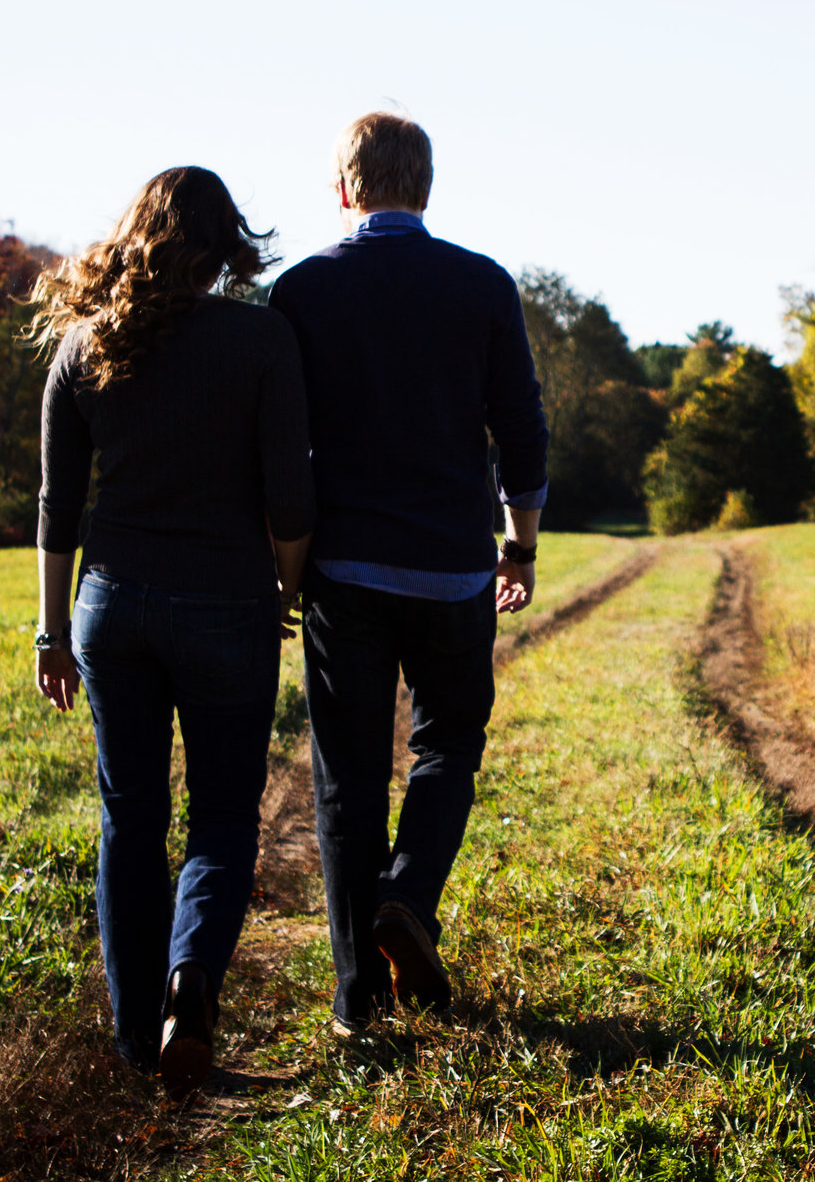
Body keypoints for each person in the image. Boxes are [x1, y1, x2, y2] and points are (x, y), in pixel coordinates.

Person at [27, 166, 314, 1097]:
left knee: (129, 816)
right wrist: (286, 590)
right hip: (226, 604)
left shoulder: (84, 344)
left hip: (110, 610)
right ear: (229, 241)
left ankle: (128, 1035)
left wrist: (48, 632)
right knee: (224, 816)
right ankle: (190, 991)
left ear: (134, 233)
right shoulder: (262, 337)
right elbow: (290, 495)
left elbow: (56, 508)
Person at [269, 111, 548, 1031]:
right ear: (425, 187)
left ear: (344, 188)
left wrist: (284, 573)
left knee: (348, 778)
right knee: (448, 747)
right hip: (453, 575)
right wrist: (520, 546)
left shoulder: (301, 292)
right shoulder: (482, 285)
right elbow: (522, 431)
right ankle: (409, 898)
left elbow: (281, 450)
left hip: (344, 573)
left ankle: (358, 1004)